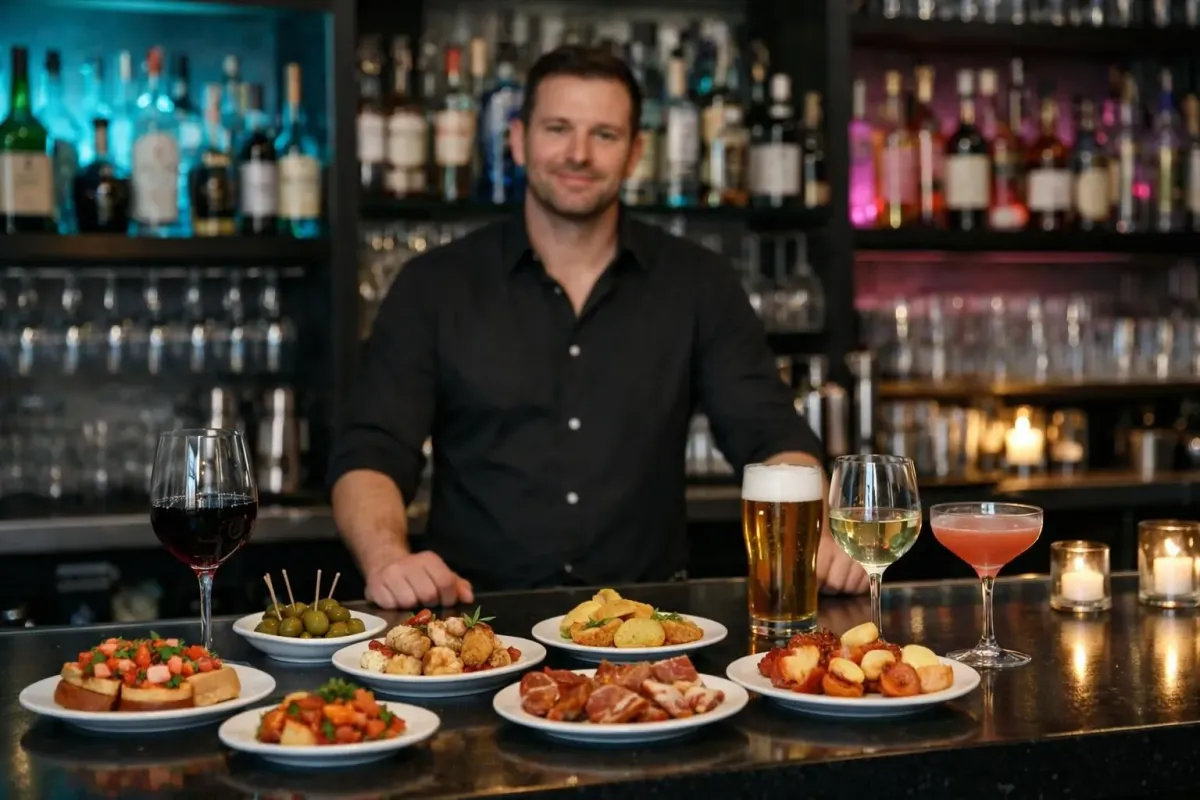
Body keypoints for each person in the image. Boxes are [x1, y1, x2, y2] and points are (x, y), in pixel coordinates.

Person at [329, 45, 869, 610]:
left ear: (636, 153)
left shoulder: (697, 282)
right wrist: (388, 558)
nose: (578, 154)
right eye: (557, 128)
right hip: (473, 623)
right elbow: (372, 449)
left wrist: (819, 528)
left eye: (604, 135)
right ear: (517, 140)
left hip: (648, 626)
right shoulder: (434, 285)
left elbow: (769, 432)